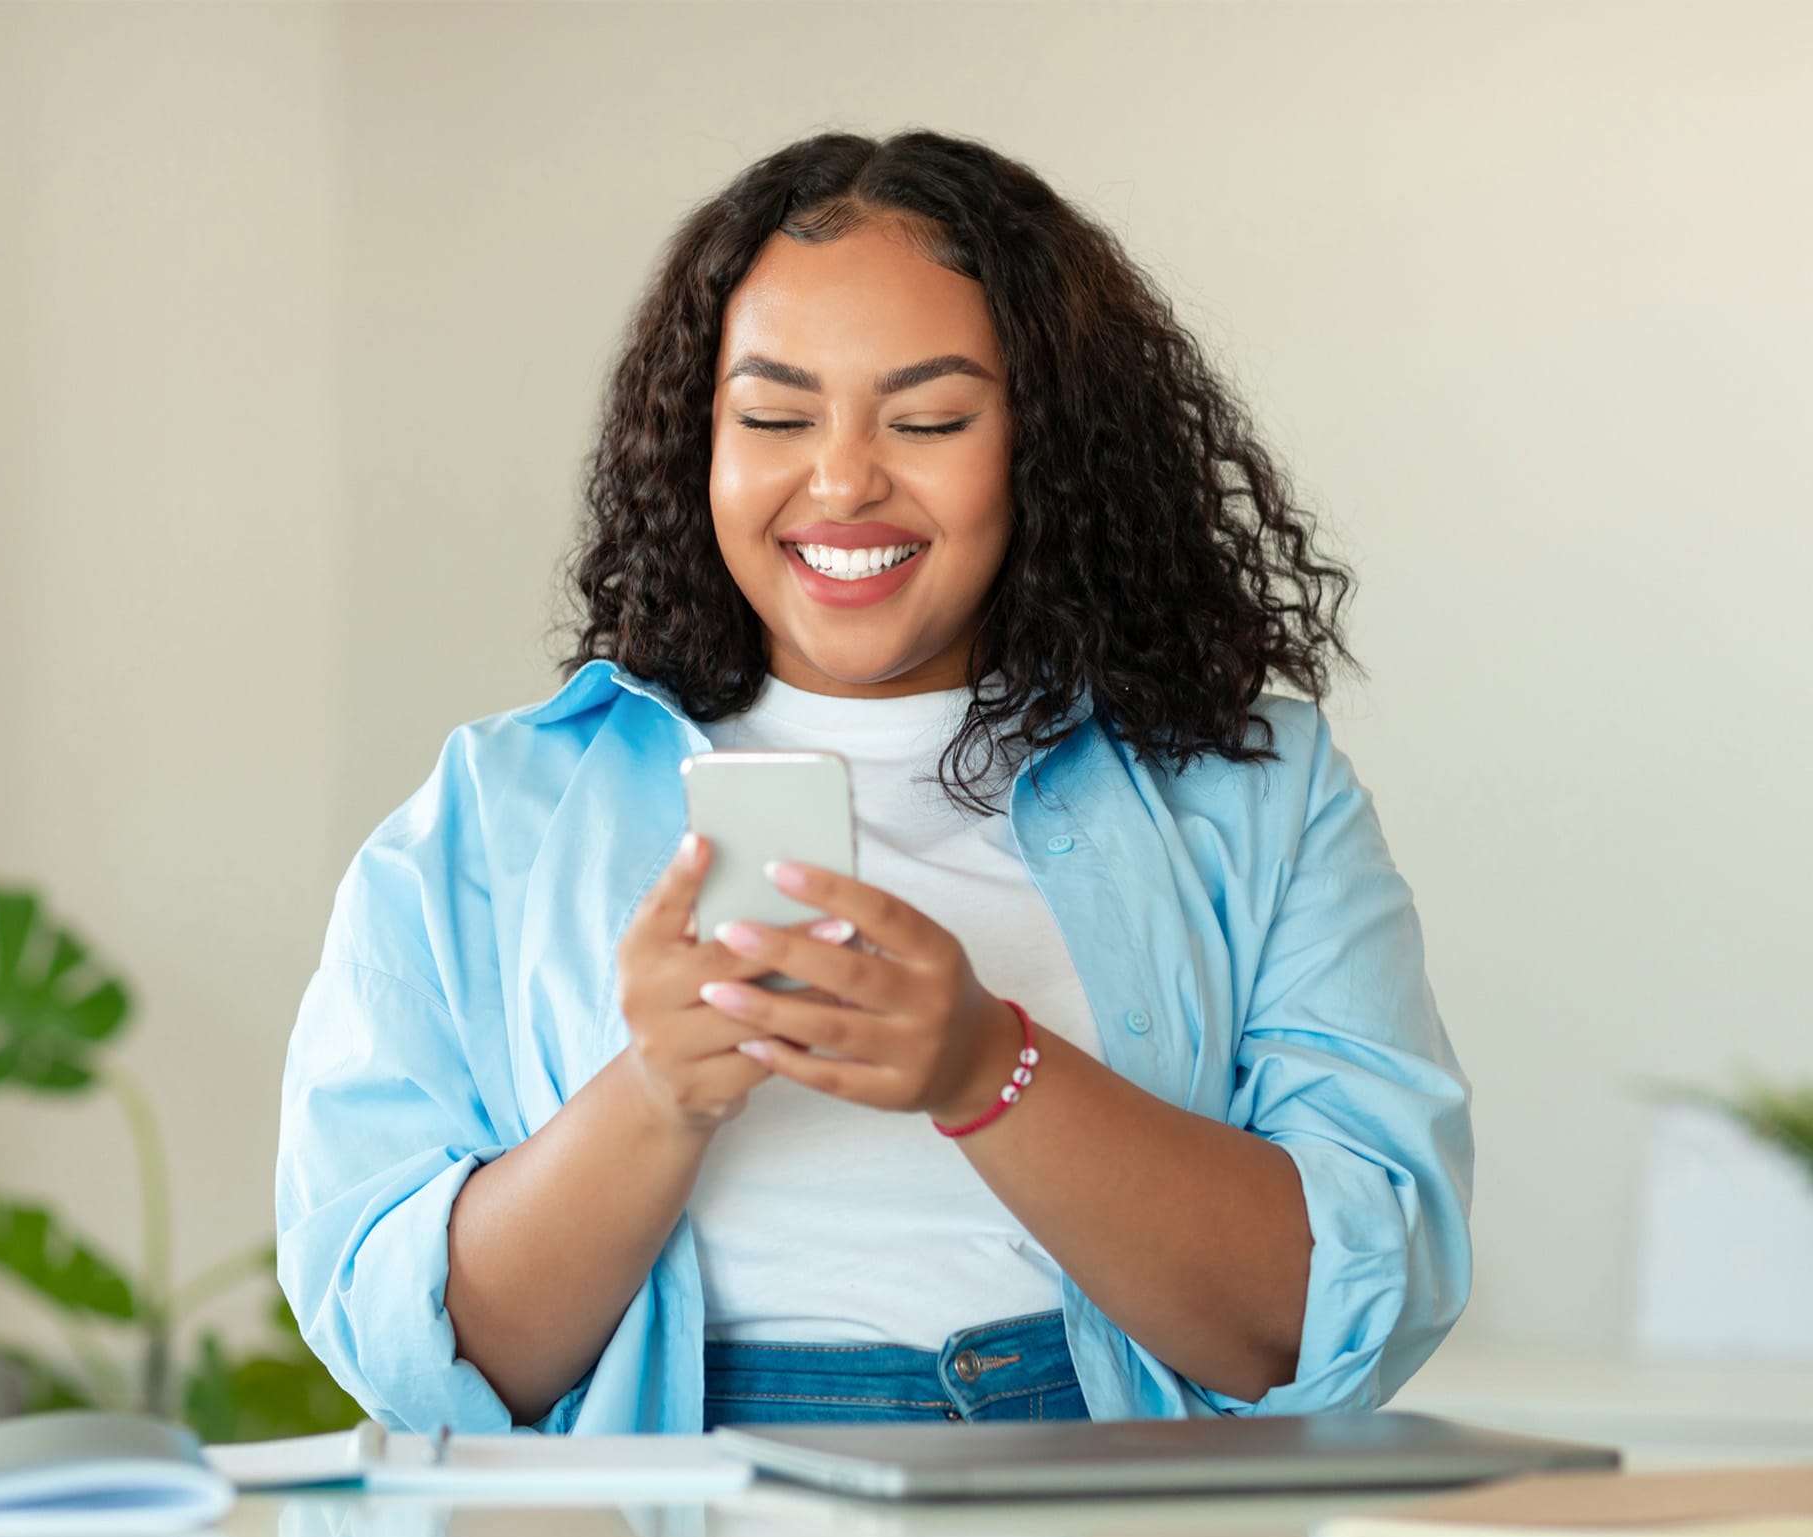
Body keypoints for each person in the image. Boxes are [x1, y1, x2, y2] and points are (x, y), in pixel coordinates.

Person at [275, 130, 1473, 1437]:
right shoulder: (492, 817)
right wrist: (659, 1093)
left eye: (929, 420)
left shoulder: (1256, 793)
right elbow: (418, 1365)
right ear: (697, 442)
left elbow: (1341, 1317)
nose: (841, 479)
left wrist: (987, 1066)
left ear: (1047, 448)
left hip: (1117, 1533)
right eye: (776, 417)